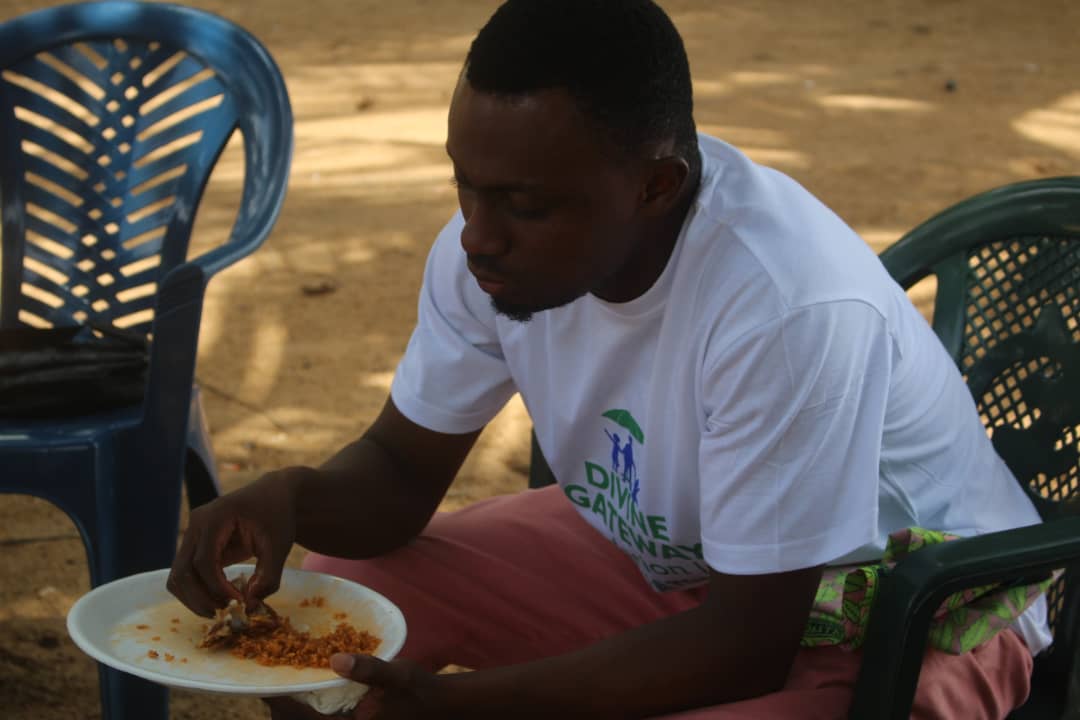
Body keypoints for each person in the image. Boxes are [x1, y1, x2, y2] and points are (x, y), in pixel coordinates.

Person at [167, 1, 1049, 717]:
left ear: (656, 185)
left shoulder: (785, 305)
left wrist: (482, 706)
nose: (477, 235)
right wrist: (289, 495)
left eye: (524, 203)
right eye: (465, 184)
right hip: (695, 568)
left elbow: (744, 647)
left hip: (908, 610)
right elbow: (398, 471)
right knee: (334, 608)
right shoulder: (487, 252)